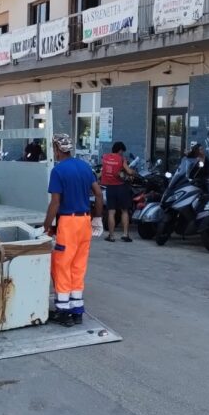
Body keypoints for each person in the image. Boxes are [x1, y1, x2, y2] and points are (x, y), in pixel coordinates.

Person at [43, 134, 104, 327]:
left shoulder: (58, 170)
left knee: (62, 266)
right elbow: (99, 193)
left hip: (68, 223)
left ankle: (63, 312)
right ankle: (77, 311)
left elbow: (55, 203)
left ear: (56, 149)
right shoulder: (85, 167)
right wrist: (97, 217)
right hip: (85, 222)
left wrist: (46, 226)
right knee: (78, 266)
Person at [101, 141, 135, 242]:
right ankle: (125, 234)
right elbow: (128, 171)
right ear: (120, 150)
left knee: (111, 212)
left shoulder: (105, 157)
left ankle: (111, 236)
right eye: (122, 151)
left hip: (110, 188)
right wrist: (133, 172)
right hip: (121, 188)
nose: (122, 153)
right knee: (124, 211)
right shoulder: (121, 159)